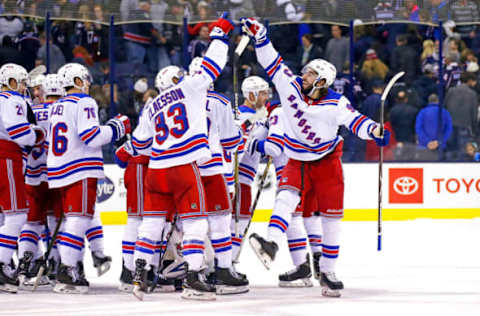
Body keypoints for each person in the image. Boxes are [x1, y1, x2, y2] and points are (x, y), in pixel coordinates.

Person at [240, 17, 390, 297]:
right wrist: (261, 37)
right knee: (285, 197)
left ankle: (329, 272)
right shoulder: (290, 87)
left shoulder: (336, 102)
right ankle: (271, 243)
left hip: (326, 161)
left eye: (309, 74)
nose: (303, 75)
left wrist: (376, 130)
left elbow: (355, 122)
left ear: (321, 82)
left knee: (331, 218)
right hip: (297, 157)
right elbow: (272, 62)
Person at [129, 13, 234, 301]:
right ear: (178, 78)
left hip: (155, 169)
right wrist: (219, 35)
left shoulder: (151, 106)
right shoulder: (191, 88)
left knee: (150, 224)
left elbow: (138, 144)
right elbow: (213, 65)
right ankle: (193, 277)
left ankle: (139, 275)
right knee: (196, 223)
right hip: (183, 167)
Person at [47, 63, 131, 294]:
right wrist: (116, 128)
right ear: (76, 81)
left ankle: (69, 268)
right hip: (79, 168)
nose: (87, 83)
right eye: (84, 79)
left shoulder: (57, 105)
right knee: (79, 219)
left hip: (57, 168)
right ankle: (67, 269)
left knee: (73, 219)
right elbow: (91, 136)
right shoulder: (84, 101)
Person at [188, 57, 247, 294]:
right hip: (212, 168)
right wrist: (236, 127)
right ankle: (221, 270)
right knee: (220, 220)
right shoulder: (219, 101)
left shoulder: (179, 99)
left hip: (185, 169)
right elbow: (233, 143)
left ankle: (190, 270)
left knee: (190, 223)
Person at [0, 63, 46, 293]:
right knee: (17, 214)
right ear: (10, 82)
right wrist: (36, 133)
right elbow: (18, 132)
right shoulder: (12, 99)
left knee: (4, 217)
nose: (24, 87)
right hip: (6, 156)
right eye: (21, 82)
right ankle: (2, 264)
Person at [17, 74, 64, 288]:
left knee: (32, 221)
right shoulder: (63, 110)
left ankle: (26, 265)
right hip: (57, 174)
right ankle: (56, 264)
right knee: (57, 221)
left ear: (43, 91)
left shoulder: (32, 110)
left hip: (33, 175)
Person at [415, 94, 453, 161]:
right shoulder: (445, 112)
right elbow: (449, 129)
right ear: (438, 101)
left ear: (429, 101)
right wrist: (439, 142)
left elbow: (418, 128)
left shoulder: (422, 112)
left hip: (424, 147)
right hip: (440, 147)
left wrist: (428, 142)